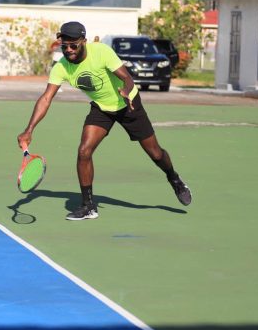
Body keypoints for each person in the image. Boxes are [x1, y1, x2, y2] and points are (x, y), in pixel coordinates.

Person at [16, 21, 192, 221]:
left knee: (155, 152)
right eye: (65, 46)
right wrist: (29, 129)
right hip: (102, 107)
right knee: (84, 151)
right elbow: (46, 98)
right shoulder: (62, 67)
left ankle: (174, 178)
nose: (69, 50)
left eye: (74, 45)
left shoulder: (101, 52)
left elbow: (127, 78)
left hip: (128, 104)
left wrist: (126, 90)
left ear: (84, 42)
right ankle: (88, 206)